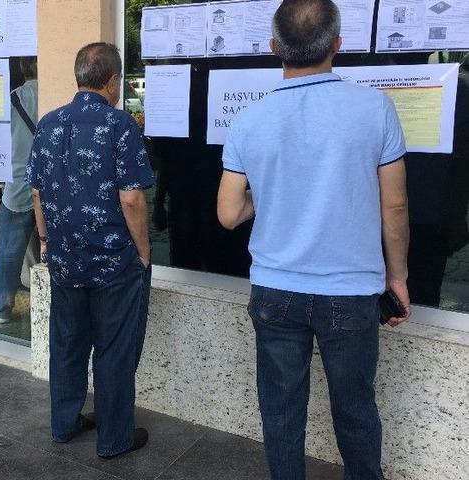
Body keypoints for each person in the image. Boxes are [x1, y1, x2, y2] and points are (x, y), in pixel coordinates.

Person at [216, 0, 411, 478]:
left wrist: (269, 194)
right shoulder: (375, 108)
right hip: (350, 293)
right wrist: (399, 277)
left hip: (275, 291)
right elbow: (396, 207)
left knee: (281, 412)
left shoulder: (249, 119)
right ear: (338, 46)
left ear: (274, 48)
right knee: (356, 410)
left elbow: (227, 214)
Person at [26, 42, 154, 458]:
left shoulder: (48, 124)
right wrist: (144, 253)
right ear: (114, 82)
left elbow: (36, 192)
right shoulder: (120, 126)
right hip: (114, 262)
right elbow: (132, 198)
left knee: (67, 346)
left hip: (64, 259)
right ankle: (114, 439)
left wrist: (45, 241)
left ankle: (64, 425)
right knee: (114, 351)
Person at [0, 56, 39, 324]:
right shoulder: (59, 95)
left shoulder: (12, 99)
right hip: (51, 185)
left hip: (19, 184)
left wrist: (0, 179)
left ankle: (1, 307)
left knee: (10, 248)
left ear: (22, 68)